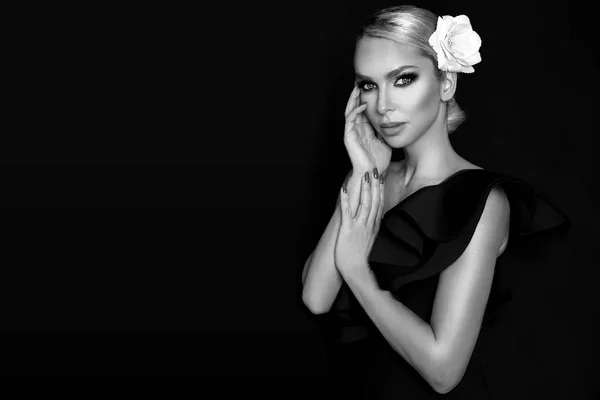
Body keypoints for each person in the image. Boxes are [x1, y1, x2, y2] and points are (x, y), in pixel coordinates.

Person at [301, 5, 571, 399]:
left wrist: (359, 273)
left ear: (446, 83)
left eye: (403, 79)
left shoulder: (483, 200)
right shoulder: (374, 175)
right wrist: (361, 170)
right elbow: (316, 297)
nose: (382, 107)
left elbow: (444, 371)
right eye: (368, 85)